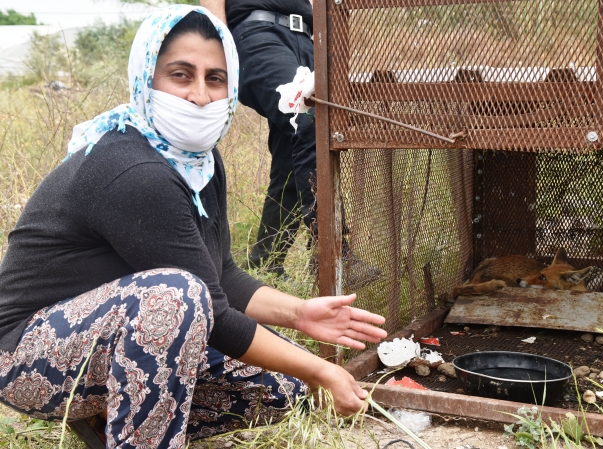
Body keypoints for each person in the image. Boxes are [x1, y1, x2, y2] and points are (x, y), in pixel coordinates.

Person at [0, 5, 387, 447]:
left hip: (114, 334)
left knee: (287, 388)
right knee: (174, 296)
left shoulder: (199, 162)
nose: (200, 96)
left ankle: (108, 418)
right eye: (181, 75)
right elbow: (212, 312)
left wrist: (300, 314)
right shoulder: (133, 168)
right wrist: (322, 367)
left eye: (215, 79)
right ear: (147, 77)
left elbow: (219, 277)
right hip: (27, 357)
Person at [199, 0, 317, 276]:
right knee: (310, 121)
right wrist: (219, 50)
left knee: (293, 149)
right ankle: (332, 248)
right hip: (259, 33)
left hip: (306, 39)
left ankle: (265, 262)